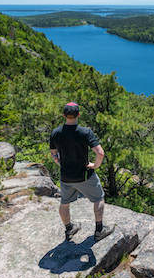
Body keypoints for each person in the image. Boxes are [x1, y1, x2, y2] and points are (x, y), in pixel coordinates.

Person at [49, 102, 115, 242]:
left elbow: (53, 153)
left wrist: (60, 162)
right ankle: (99, 230)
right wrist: (95, 166)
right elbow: (100, 153)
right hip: (84, 175)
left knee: (64, 202)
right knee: (98, 198)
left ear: (64, 115)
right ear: (79, 114)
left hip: (66, 176)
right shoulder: (85, 132)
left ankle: (69, 228)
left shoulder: (55, 133)